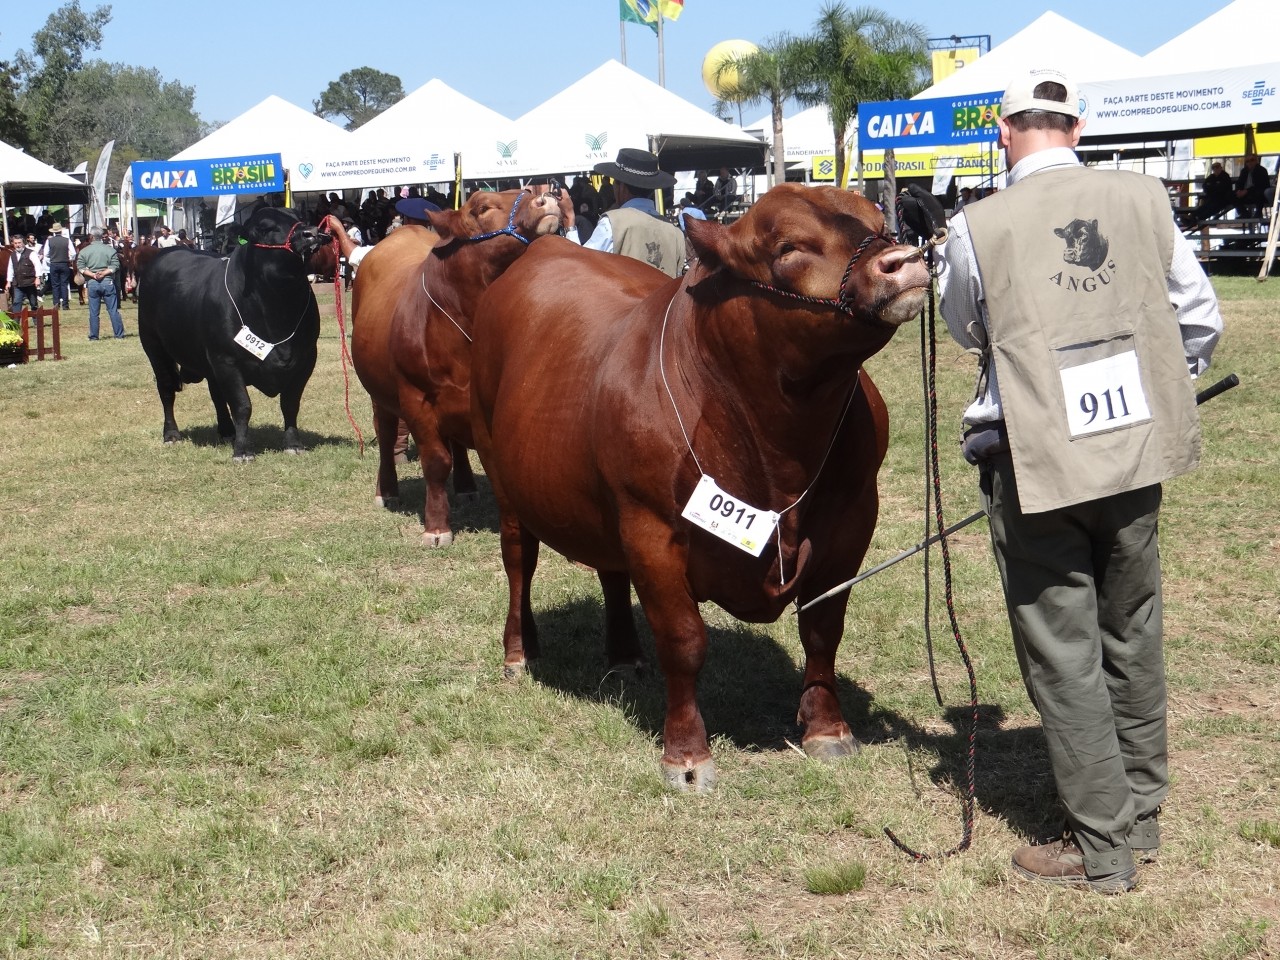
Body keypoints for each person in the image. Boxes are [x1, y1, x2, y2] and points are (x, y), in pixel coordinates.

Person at [901, 67, 1223, 894]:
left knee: (1063, 648)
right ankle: (1140, 814)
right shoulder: (1145, 199)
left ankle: (1103, 848)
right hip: (1133, 452)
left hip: (1034, 456)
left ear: (1005, 135)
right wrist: (1159, 384)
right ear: (1075, 131)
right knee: (1132, 628)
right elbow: (1200, 316)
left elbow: (969, 324)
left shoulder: (980, 224)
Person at [580, 148, 685, 278]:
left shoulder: (613, 224)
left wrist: (570, 224)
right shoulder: (676, 234)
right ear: (652, 189)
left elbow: (582, 265)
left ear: (621, 186)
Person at [77, 227, 126, 340]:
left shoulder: (84, 251)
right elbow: (115, 266)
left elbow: (81, 267)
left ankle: (94, 336)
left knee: (94, 312)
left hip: (92, 282)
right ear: (101, 236)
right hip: (107, 281)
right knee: (113, 310)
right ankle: (119, 334)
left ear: (91, 237)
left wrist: (93, 275)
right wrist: (104, 273)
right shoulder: (110, 250)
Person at [41, 222, 74, 310]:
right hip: (64, 264)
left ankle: (56, 304)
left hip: (54, 264)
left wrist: (50, 260)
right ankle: (65, 305)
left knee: (55, 285)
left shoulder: (49, 241)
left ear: (53, 232)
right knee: (64, 284)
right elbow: (73, 253)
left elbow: (46, 254)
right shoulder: (67, 240)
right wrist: (69, 259)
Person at [5, 234, 42, 312]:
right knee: (16, 302)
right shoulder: (12, 255)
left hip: (30, 282)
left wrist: (38, 278)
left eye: (19, 243)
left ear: (23, 243)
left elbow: (37, 266)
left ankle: (36, 322)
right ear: (13, 244)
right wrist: (8, 282)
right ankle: (16, 322)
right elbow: (10, 269)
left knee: (33, 303)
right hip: (18, 284)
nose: (18, 245)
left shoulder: (31, 253)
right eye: (15, 243)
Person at [1234, 153, 1271, 221]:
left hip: (1256, 193)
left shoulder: (1261, 170)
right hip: (1245, 194)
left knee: (1259, 192)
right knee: (1232, 195)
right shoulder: (1244, 171)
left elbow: (1261, 185)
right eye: (1247, 161)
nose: (1250, 162)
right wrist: (1238, 191)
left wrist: (1247, 191)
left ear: (1256, 161)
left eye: (1252, 160)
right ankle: (1244, 213)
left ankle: (1258, 212)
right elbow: (1239, 183)